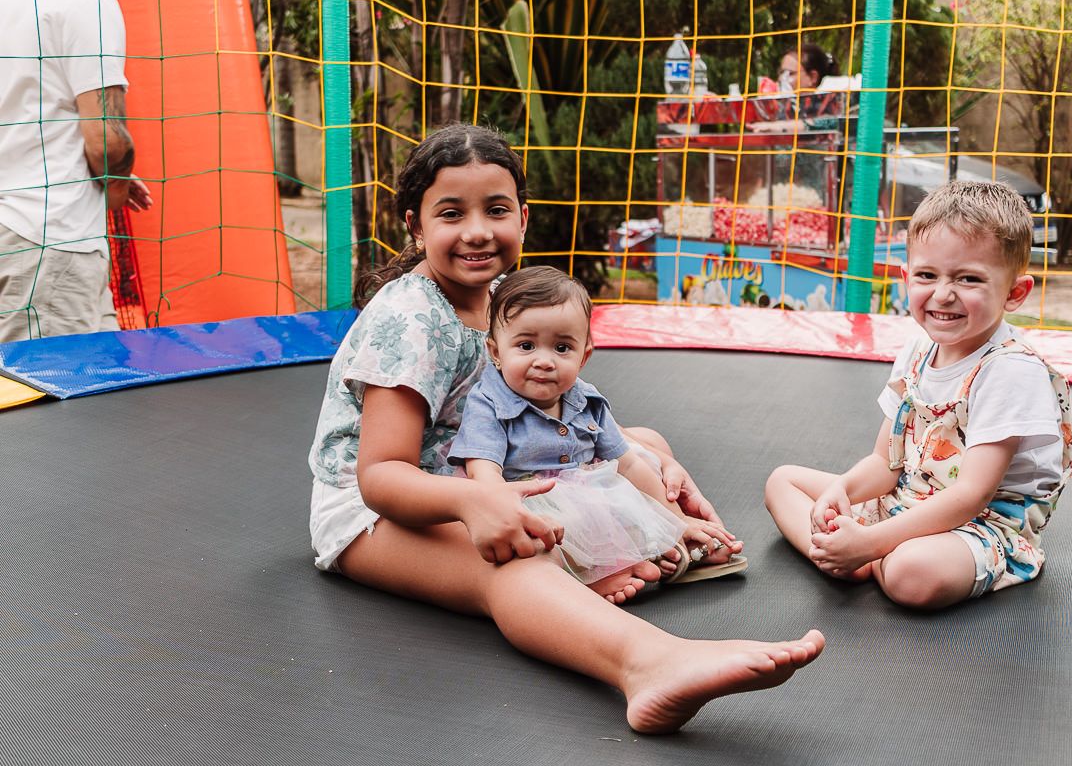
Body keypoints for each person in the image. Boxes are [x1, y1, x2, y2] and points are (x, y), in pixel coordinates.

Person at [307, 123, 824, 734]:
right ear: (416, 227)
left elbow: (567, 415)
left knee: (643, 440)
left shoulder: (504, 296)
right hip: (381, 512)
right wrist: (477, 501)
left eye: (496, 210)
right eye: (451, 213)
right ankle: (649, 664)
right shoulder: (410, 316)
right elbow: (381, 477)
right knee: (510, 566)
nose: (477, 230)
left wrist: (650, 473)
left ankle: (664, 535)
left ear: (523, 219)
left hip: (478, 470)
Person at [765, 181, 1072, 610]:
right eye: (928, 276)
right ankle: (850, 556)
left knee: (914, 575)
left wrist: (870, 540)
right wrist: (843, 489)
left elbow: (972, 496)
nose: (944, 294)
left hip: (980, 525)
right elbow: (885, 463)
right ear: (905, 278)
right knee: (782, 481)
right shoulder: (917, 351)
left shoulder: (1010, 371)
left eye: (969, 279)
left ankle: (863, 555)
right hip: (906, 499)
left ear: (1014, 293)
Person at [448, 265, 747, 603]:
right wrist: (506, 513)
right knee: (559, 526)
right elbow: (483, 473)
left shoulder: (585, 398)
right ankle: (591, 573)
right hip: (528, 497)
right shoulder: (488, 403)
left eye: (562, 349)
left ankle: (666, 545)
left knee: (638, 472)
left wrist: (675, 521)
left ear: (584, 355)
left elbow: (629, 465)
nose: (544, 361)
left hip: (586, 485)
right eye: (526, 345)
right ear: (496, 353)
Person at [0, 0, 151, 343]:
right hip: (52, 236)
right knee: (44, 390)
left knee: (104, 375)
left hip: (18, 230)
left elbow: (28, 113)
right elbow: (108, 141)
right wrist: (115, 183)